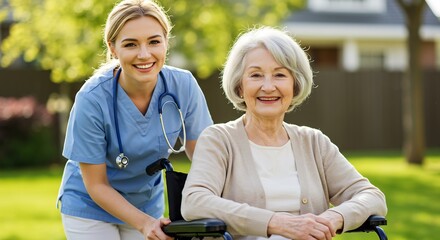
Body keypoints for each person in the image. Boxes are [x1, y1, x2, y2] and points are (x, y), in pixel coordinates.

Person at [181, 26, 387, 240]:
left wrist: (331, 219)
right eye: (256, 75)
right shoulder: (219, 140)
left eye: (280, 75)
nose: (268, 87)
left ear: (295, 85)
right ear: (240, 86)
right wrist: (276, 223)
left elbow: (372, 197)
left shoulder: (314, 142)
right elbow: (194, 201)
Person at [56, 0, 213, 239]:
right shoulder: (92, 98)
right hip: (90, 206)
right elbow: (96, 184)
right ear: (113, 48)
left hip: (146, 202)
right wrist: (144, 223)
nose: (144, 54)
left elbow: (204, 155)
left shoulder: (183, 85)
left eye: (154, 41)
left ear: (166, 42)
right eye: (130, 44)